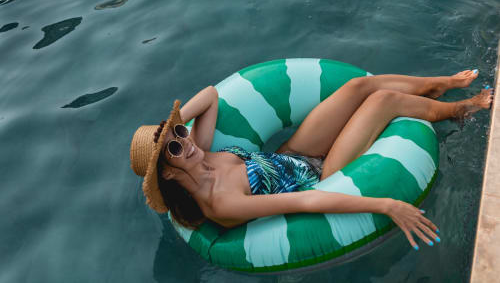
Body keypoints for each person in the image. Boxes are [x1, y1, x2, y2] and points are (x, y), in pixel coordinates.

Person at [130, 70, 493, 250]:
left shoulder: (199, 150)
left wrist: (172, 125)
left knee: (356, 88)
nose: (185, 143)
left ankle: (438, 83)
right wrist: (387, 205)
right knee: (382, 102)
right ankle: (459, 110)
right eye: (174, 149)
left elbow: (210, 95)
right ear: (168, 174)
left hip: (293, 153)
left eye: (179, 134)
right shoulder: (220, 202)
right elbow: (306, 200)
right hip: (321, 176)